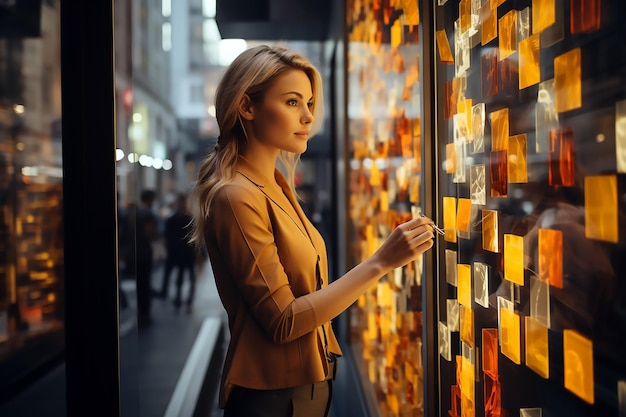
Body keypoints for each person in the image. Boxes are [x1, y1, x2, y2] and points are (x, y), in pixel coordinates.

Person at [188, 45, 435, 417]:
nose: (307, 116)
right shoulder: (236, 196)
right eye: (291, 102)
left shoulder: (275, 183)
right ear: (247, 107)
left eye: (309, 102)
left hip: (308, 387)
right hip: (272, 398)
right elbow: (284, 320)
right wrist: (381, 262)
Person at [158, 192, 196, 312]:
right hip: (181, 251)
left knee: (188, 276)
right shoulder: (185, 219)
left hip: (186, 251)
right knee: (182, 276)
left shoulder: (186, 218)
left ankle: (186, 299)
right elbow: (168, 236)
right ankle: (180, 298)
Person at [134, 189, 158, 327]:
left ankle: (140, 311)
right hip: (144, 252)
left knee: (139, 283)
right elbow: (150, 232)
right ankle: (145, 313)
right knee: (145, 283)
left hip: (135, 252)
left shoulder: (135, 212)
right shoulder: (147, 213)